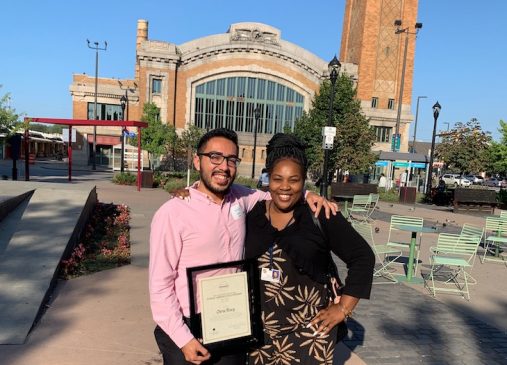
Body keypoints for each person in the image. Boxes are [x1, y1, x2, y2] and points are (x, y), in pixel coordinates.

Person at [149, 128, 337, 365]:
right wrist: (182, 337)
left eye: (231, 160)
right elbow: (159, 286)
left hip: (232, 322)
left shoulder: (241, 197)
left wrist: (308, 193)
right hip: (188, 324)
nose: (224, 166)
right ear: (198, 161)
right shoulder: (173, 213)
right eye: (215, 157)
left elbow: (275, 193)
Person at [244, 133, 375, 364]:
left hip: (309, 333)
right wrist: (188, 192)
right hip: (260, 333)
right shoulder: (253, 213)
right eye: (277, 179)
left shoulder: (320, 215)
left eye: (293, 180)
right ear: (268, 180)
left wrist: (343, 308)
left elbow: (362, 257)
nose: (285, 187)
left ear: (304, 182)